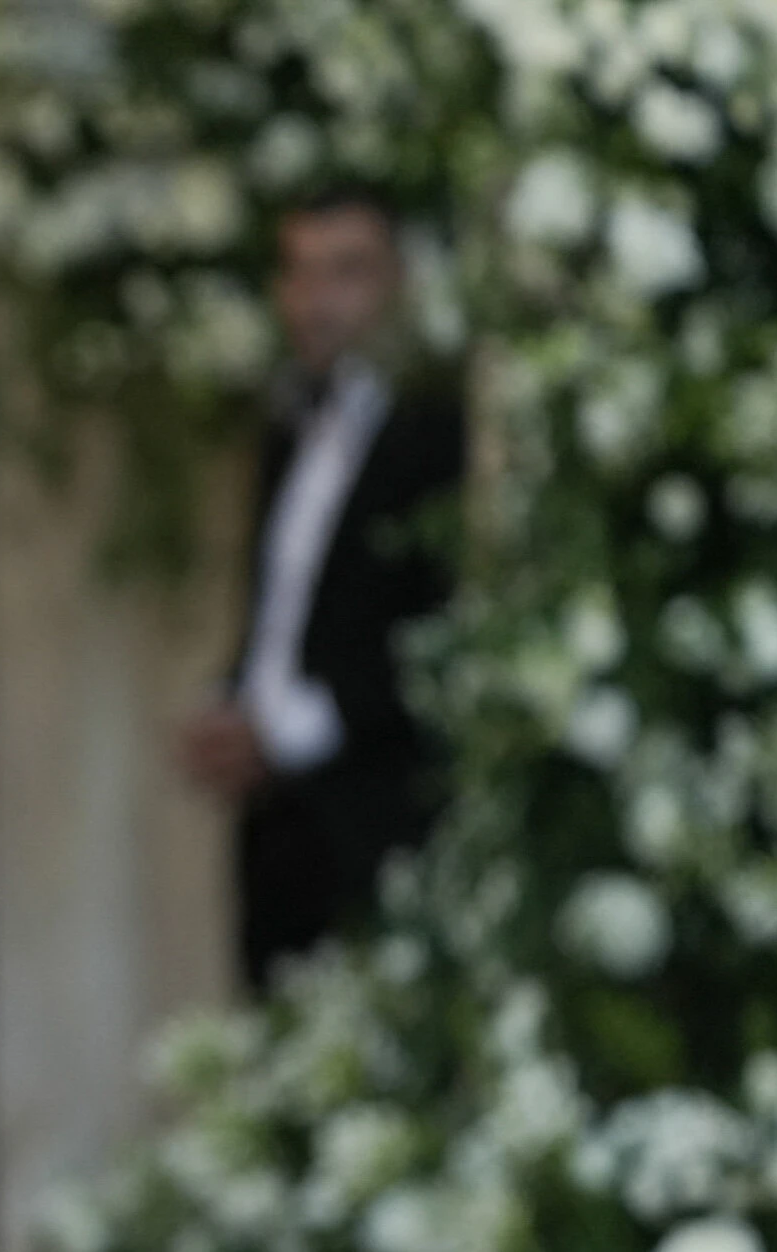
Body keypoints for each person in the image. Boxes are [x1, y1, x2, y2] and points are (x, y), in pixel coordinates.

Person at [180, 186, 465, 988]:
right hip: (277, 824)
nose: (316, 301)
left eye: (347, 272)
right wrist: (232, 699)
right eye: (299, 272)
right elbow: (285, 615)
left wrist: (282, 726)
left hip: (377, 820)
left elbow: (436, 626)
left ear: (399, 280)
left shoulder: (439, 433)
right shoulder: (288, 425)